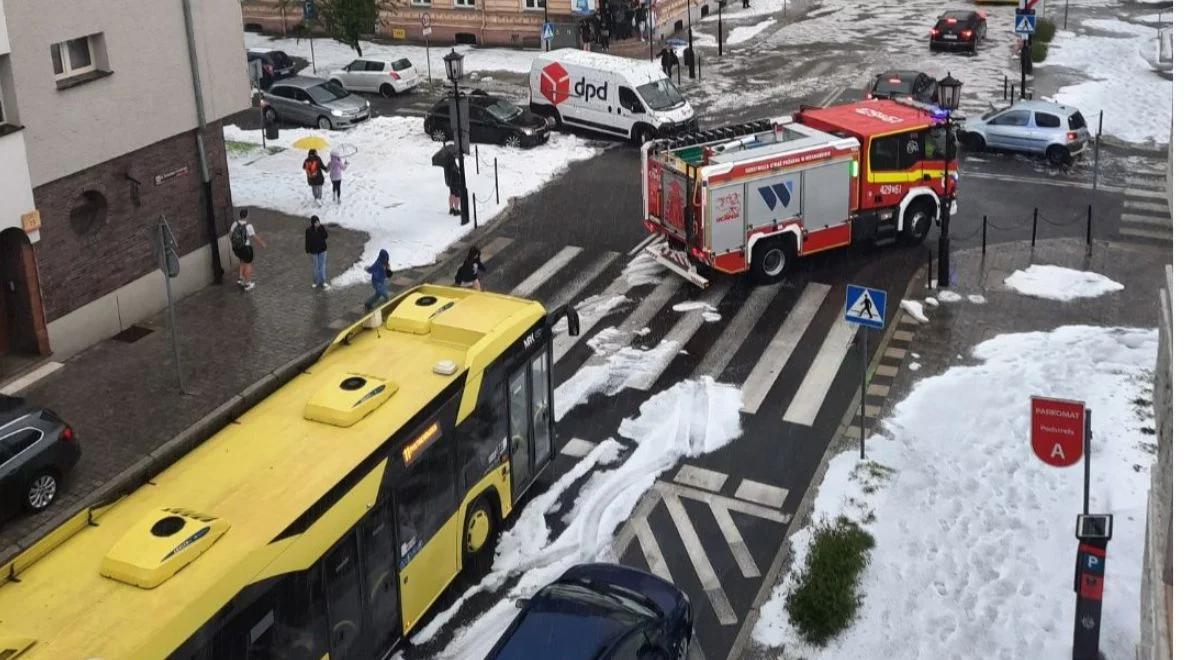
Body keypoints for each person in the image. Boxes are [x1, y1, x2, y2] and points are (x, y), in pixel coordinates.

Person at [231, 209, 266, 291]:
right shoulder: (248, 226)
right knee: (248, 265)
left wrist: (235, 244)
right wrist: (262, 243)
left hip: (237, 248)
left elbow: (230, 234)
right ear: (247, 216)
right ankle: (248, 283)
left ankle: (242, 280)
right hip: (246, 248)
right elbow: (254, 237)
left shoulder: (235, 223)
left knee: (242, 262)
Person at [305, 215, 329, 289]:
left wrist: (321, 228)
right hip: (314, 251)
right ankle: (316, 282)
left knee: (322, 266)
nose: (317, 223)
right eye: (316, 222)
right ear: (313, 223)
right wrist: (307, 250)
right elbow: (307, 241)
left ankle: (323, 281)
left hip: (322, 250)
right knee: (316, 267)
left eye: (318, 222)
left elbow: (326, 236)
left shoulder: (321, 228)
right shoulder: (308, 230)